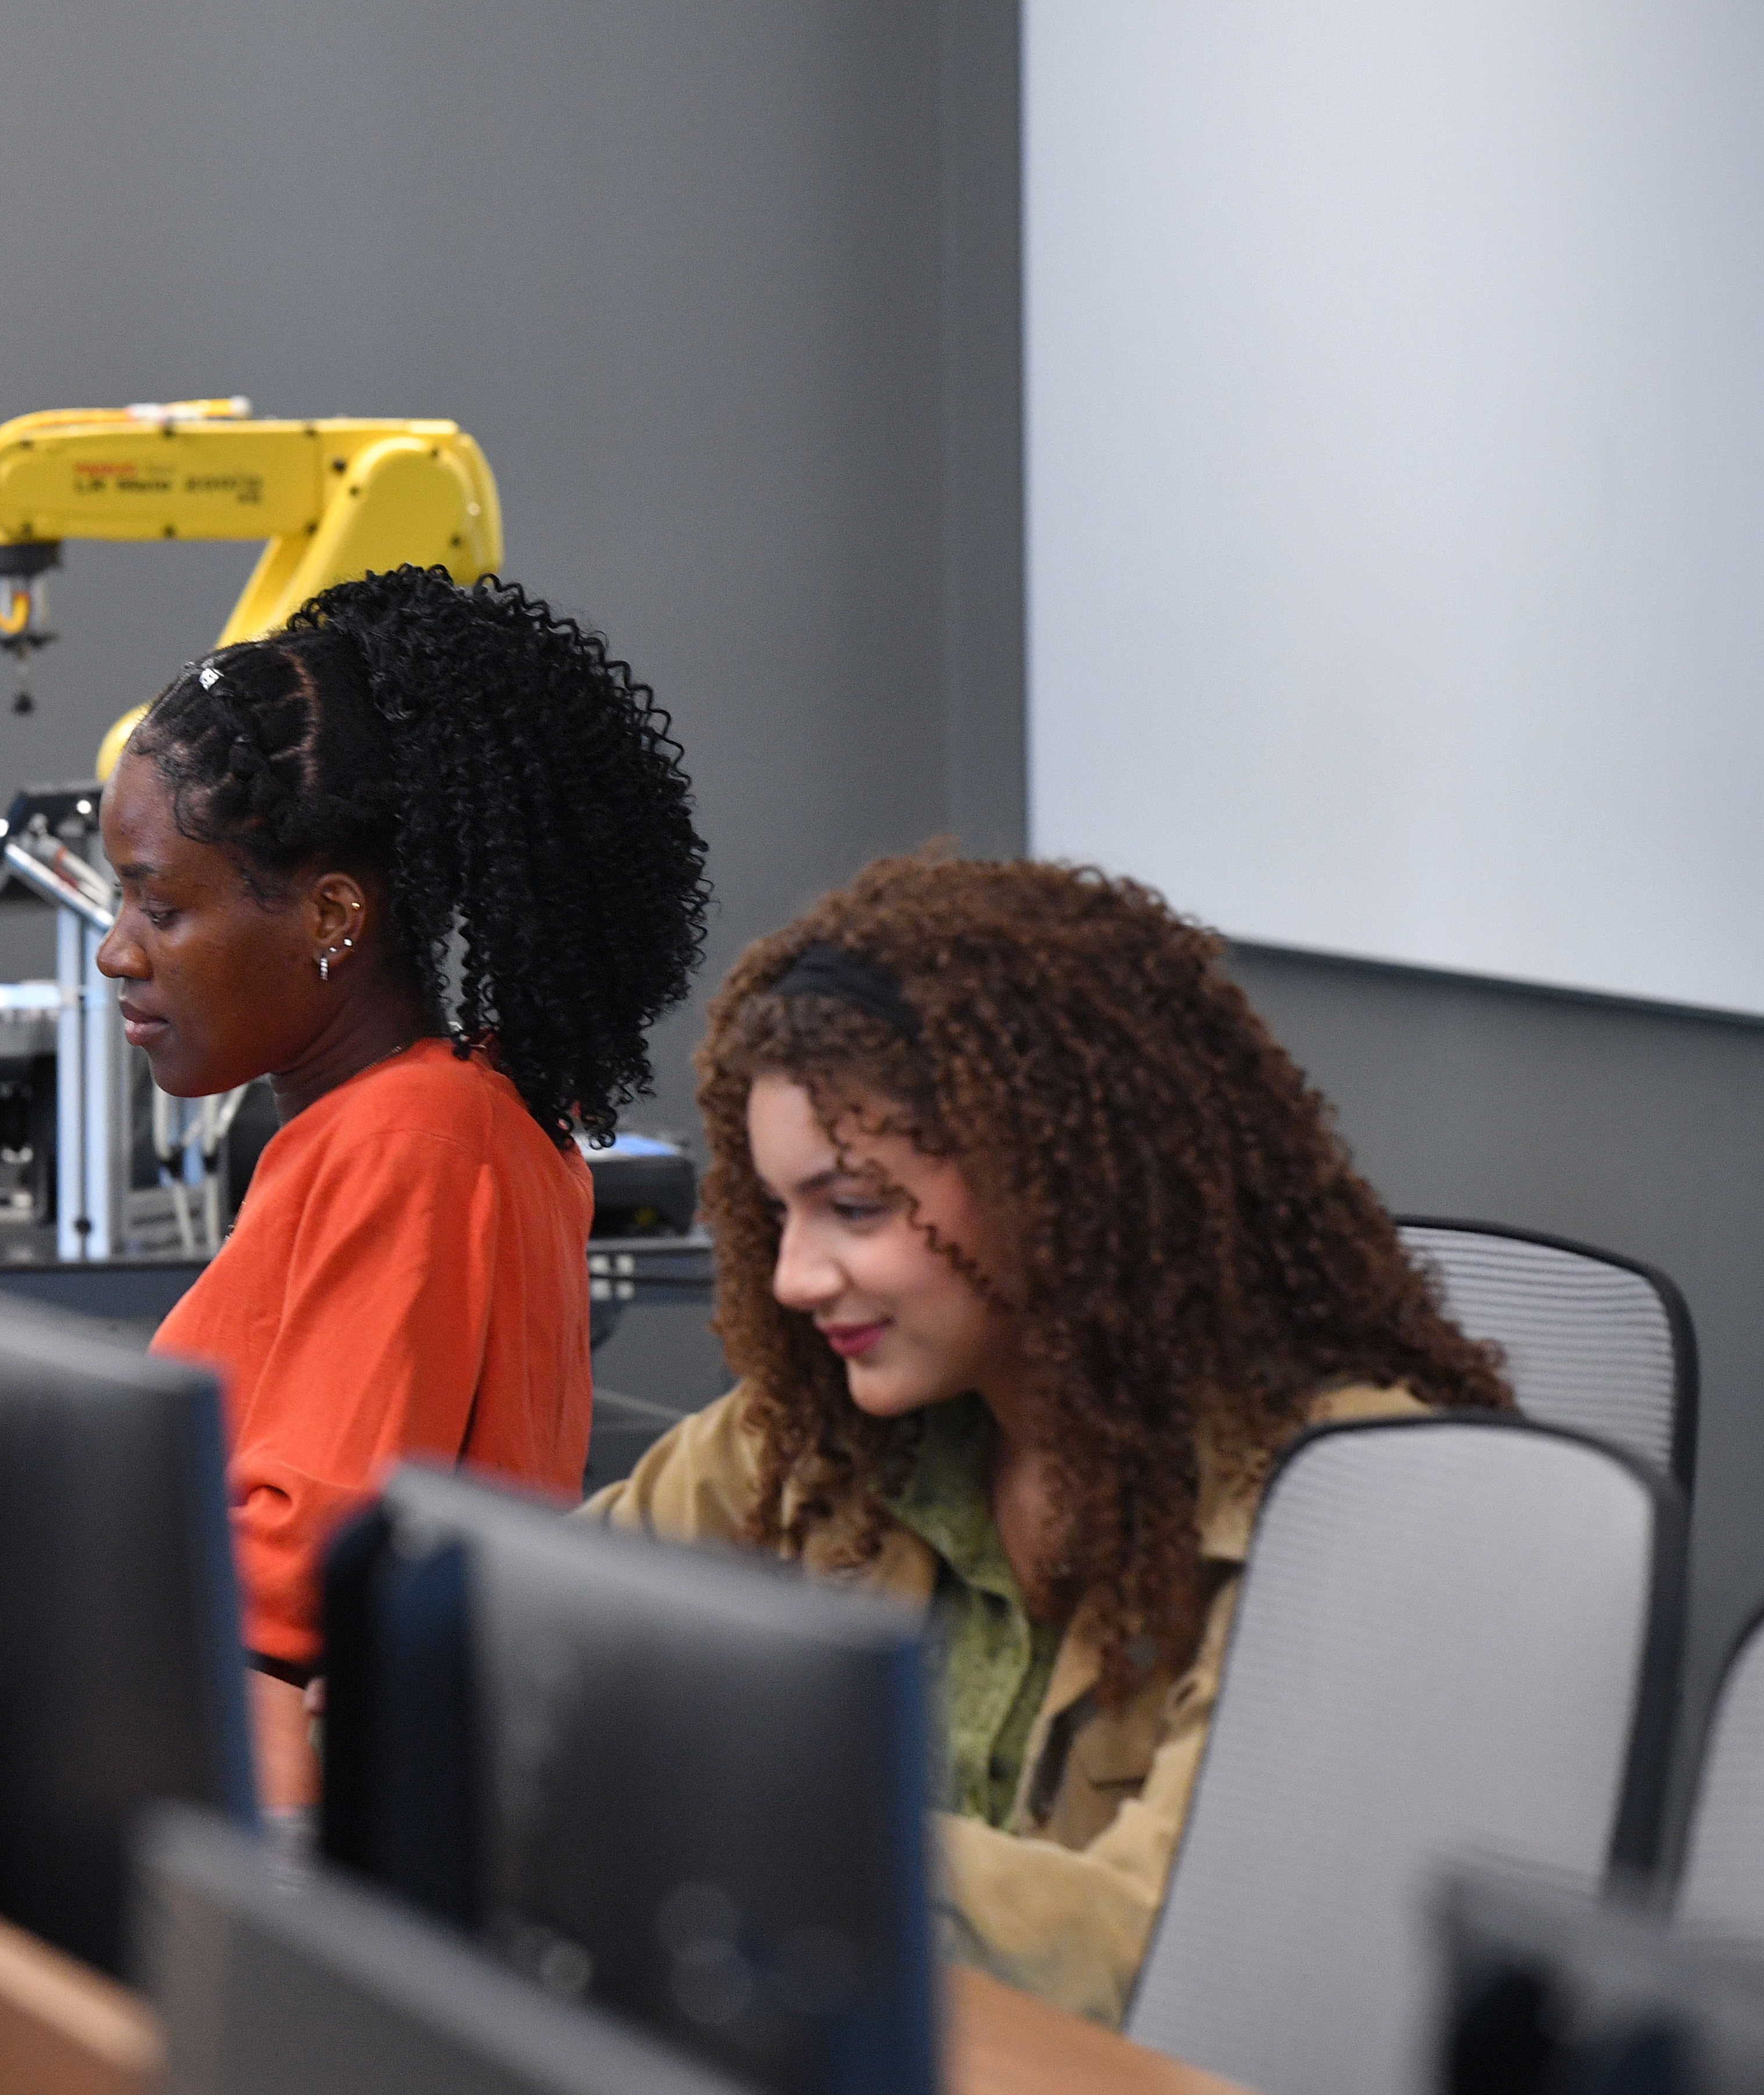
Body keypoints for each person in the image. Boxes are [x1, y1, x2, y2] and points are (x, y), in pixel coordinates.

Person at [583, 853, 1514, 2024]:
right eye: (781, 1211)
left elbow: (1165, 1946)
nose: (793, 1275)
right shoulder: (825, 1424)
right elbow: (531, 1621)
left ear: (1057, 1179)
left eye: (855, 1206)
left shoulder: (1349, 1510)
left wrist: (735, 1815)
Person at [102, 566, 710, 1801]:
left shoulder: (421, 1136)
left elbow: (297, 1565)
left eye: (160, 905)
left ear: (331, 914)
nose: (117, 948)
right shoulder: (400, 1117)